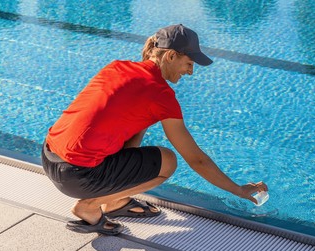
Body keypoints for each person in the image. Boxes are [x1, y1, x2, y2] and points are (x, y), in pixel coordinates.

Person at [41, 24, 268, 235]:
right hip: (77, 176)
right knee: (167, 161)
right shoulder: (161, 96)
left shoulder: (117, 67)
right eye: (189, 63)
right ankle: (89, 206)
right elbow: (196, 160)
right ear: (170, 55)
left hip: (49, 157)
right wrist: (237, 190)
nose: (190, 72)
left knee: (140, 123)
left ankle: (115, 201)